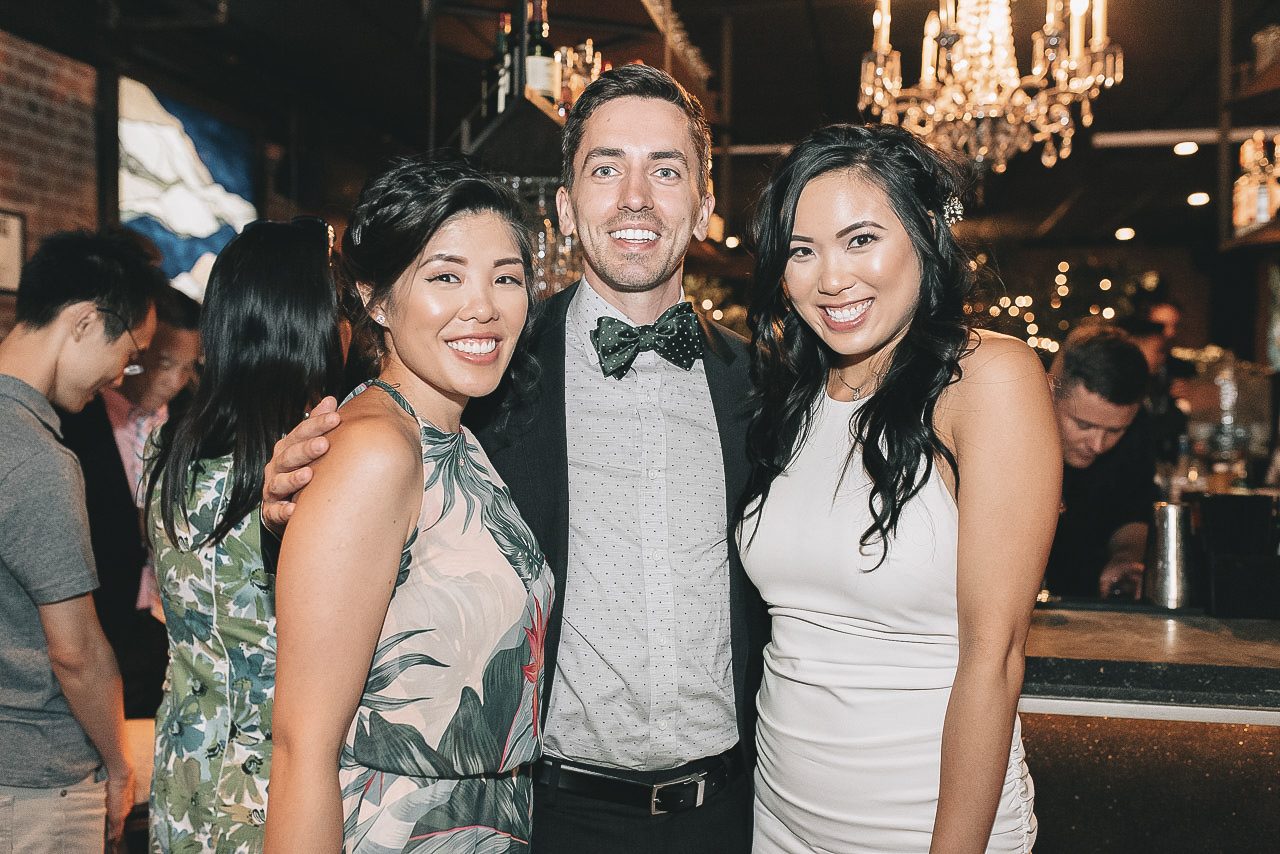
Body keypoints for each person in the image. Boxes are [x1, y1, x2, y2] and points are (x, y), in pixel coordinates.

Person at [261, 65, 768, 854]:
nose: (636, 196)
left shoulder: (764, 385)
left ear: (704, 205)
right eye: (606, 168)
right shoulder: (492, 369)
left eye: (666, 170)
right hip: (550, 816)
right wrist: (286, 506)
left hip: (726, 813)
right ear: (565, 208)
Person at [736, 124, 1060, 853]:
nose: (831, 278)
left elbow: (994, 658)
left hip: (923, 828)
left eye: (860, 240)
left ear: (924, 234)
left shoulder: (987, 379)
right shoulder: (792, 394)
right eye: (801, 250)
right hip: (779, 822)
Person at [263, 155, 553, 854]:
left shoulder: (453, 435)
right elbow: (302, 748)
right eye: (445, 276)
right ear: (375, 298)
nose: (482, 306)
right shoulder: (376, 451)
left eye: (506, 277)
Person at [144, 218, 344, 853]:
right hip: (272, 790)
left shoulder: (165, 449)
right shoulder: (310, 468)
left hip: (184, 770)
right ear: (310, 324)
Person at [0, 229, 163, 850]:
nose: (123, 374)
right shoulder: (36, 457)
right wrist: (119, 764)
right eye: (131, 352)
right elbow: (75, 652)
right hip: (36, 781)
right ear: (86, 322)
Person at [59, 283, 202, 719]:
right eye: (164, 363)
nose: (175, 381)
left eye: (188, 367)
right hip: (99, 623)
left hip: (171, 627)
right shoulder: (78, 416)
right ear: (134, 352)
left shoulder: (194, 418)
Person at [1043, 324, 1157, 599]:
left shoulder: (1138, 430)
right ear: (1050, 392)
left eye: (1115, 431)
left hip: (1092, 596)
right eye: (1084, 425)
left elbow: (1133, 509)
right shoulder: (1009, 432)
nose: (1098, 445)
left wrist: (1126, 558)